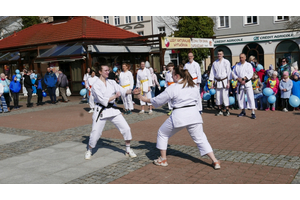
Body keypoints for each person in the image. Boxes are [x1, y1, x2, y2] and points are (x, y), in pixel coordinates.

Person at [133, 66, 220, 169]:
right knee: (201, 139)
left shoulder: (174, 87)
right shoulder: (193, 87)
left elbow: (158, 100)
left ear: (177, 76)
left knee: (162, 133)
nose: (171, 77)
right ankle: (215, 161)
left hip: (180, 115)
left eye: (172, 75)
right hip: (194, 114)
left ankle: (163, 159)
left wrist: (141, 98)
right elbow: (197, 101)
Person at [85, 65, 137, 160]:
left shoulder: (112, 82)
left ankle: (128, 149)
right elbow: (102, 100)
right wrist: (115, 96)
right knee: (95, 133)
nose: (108, 72)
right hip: (101, 110)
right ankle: (89, 149)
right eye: (105, 70)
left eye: (108, 70)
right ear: (100, 72)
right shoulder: (96, 85)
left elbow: (123, 90)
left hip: (113, 110)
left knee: (126, 128)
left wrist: (133, 92)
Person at [232, 53, 256, 119]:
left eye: (242, 57)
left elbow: (251, 73)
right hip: (240, 83)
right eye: (240, 57)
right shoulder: (237, 65)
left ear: (245, 58)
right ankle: (243, 111)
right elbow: (233, 73)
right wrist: (238, 79)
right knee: (240, 98)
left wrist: (244, 79)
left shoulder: (248, 65)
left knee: (250, 97)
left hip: (247, 83)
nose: (241, 59)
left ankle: (253, 112)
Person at [209, 50, 231, 116]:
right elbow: (212, 73)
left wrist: (228, 83)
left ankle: (227, 110)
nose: (219, 55)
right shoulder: (214, 63)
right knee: (218, 97)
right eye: (218, 54)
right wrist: (212, 83)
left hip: (224, 81)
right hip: (217, 81)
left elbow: (229, 73)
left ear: (223, 54)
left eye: (220, 54)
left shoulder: (226, 62)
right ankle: (219, 109)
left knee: (225, 96)